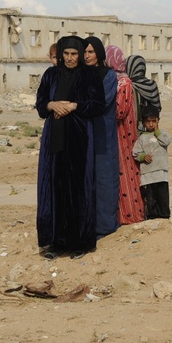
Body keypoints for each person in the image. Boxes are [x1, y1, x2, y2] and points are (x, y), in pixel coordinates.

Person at [36, 36, 104, 258]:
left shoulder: (90, 74)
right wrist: (52, 104)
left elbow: (98, 105)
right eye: (66, 54)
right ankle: (56, 242)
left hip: (79, 138)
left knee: (77, 188)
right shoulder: (51, 74)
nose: (70, 58)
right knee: (55, 187)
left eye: (74, 54)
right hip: (54, 137)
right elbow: (40, 102)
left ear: (81, 54)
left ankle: (79, 243)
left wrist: (74, 105)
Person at [104, 44, 145, 225]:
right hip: (118, 133)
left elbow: (120, 111)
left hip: (123, 133)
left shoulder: (124, 82)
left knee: (127, 173)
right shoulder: (115, 80)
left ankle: (131, 214)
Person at [84, 36, 121, 236]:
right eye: (85, 52)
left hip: (102, 134)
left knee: (104, 179)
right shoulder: (79, 74)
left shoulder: (108, 76)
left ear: (99, 53)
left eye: (91, 51)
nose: (87, 55)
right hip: (83, 133)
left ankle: (105, 225)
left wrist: (78, 106)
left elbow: (100, 101)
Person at [134, 105, 172, 219]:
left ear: (158, 121)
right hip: (148, 176)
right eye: (148, 122)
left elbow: (166, 142)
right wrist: (143, 157)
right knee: (151, 200)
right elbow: (135, 153)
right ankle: (152, 218)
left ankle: (164, 218)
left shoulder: (162, 134)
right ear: (143, 122)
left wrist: (157, 132)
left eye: (153, 121)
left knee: (163, 197)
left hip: (161, 174)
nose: (151, 124)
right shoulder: (141, 138)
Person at [127, 54, 161, 132]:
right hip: (150, 127)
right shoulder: (151, 85)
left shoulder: (126, 86)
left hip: (131, 129)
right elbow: (157, 108)